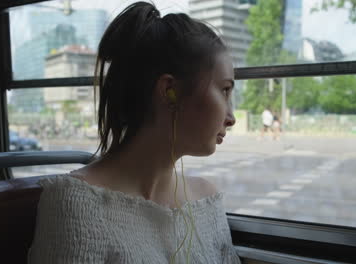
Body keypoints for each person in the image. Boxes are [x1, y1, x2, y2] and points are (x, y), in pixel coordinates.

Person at [27, 2, 240, 263]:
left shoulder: (206, 202)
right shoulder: (77, 205)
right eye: (225, 90)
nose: (232, 118)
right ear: (169, 91)